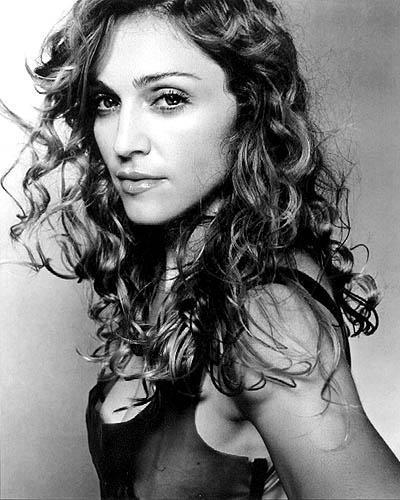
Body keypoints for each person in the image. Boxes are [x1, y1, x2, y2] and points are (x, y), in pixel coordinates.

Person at [3, 0, 400, 498]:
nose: (124, 141)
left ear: (249, 107)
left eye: (168, 99)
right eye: (107, 102)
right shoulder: (169, 274)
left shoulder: (267, 316)